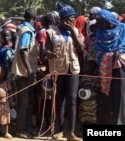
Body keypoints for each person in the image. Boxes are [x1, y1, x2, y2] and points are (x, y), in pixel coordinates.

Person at [45, 2, 84, 141]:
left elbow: (80, 48)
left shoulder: (76, 31)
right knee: (59, 100)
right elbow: (47, 49)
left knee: (72, 99)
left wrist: (73, 31)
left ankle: (71, 132)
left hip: (73, 69)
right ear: (62, 18)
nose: (72, 20)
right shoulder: (50, 32)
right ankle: (59, 130)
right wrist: (49, 53)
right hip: (58, 69)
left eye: (73, 17)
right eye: (69, 17)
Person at [94, 9, 125, 125]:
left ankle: (119, 122)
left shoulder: (123, 29)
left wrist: (120, 52)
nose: (98, 24)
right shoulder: (99, 32)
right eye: (97, 22)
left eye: (100, 22)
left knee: (119, 96)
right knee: (104, 95)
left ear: (109, 21)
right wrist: (108, 56)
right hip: (104, 67)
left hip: (119, 67)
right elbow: (97, 49)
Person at [11, 7, 38, 138]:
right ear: (35, 18)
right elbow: (23, 50)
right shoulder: (27, 31)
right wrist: (29, 71)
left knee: (30, 100)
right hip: (23, 72)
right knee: (24, 102)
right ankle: (20, 128)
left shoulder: (24, 28)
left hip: (27, 71)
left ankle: (27, 126)